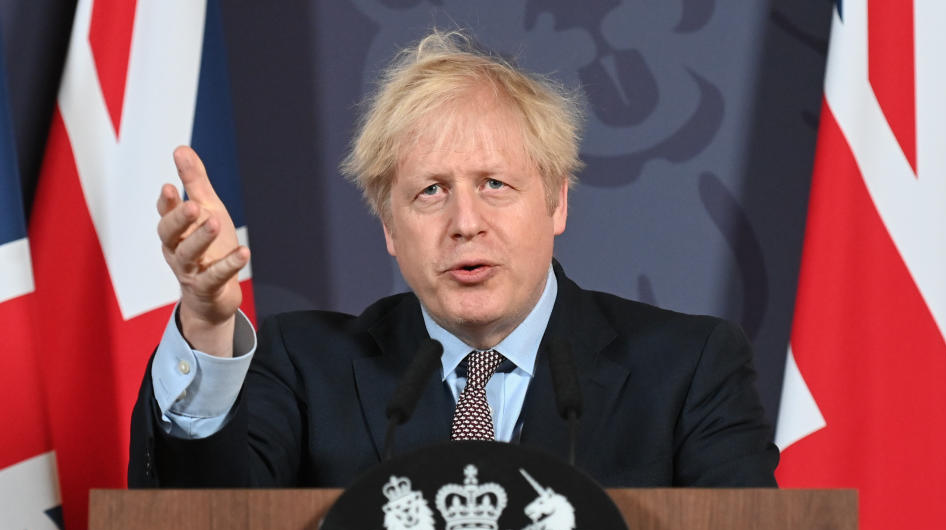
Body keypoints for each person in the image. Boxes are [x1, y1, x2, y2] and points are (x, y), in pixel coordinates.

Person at [128, 30, 778, 489]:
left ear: (556, 202)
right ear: (388, 224)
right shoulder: (304, 367)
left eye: (495, 184)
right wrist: (209, 324)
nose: (465, 223)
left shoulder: (688, 370)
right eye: (430, 191)